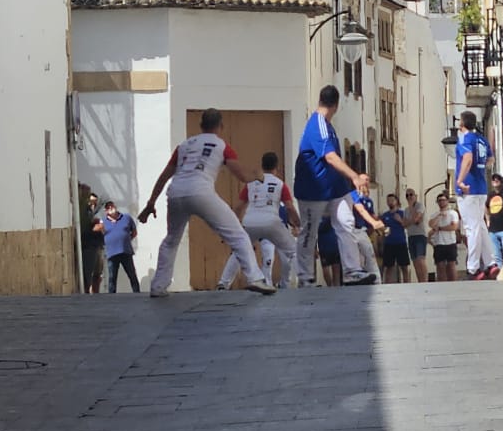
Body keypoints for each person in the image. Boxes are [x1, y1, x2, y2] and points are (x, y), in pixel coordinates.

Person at [138, 112, 275, 296]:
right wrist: (257, 175)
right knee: (238, 235)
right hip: (201, 193)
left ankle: (158, 286)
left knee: (171, 240)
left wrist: (150, 204)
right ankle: (255, 278)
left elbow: (164, 176)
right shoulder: (221, 145)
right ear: (221, 126)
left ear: (201, 125)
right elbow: (242, 175)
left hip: (176, 193)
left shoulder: (183, 146)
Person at [291, 87, 357, 286]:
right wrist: (354, 176)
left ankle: (353, 271)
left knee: (345, 223)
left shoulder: (327, 126)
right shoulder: (318, 125)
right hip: (313, 190)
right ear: (336, 105)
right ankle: (305, 277)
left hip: (334, 188)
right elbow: (330, 157)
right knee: (309, 232)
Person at [217, 151, 299, 291]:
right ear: (276, 167)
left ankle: (223, 283)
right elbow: (290, 207)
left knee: (239, 250)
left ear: (262, 166)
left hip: (250, 222)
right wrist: (297, 223)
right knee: (293, 251)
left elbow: (239, 206)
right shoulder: (280, 184)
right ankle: (306, 280)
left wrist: (235, 224)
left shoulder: (251, 184)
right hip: (272, 222)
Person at [454, 109, 499, 280]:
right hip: (481, 188)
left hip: (469, 189)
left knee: (471, 228)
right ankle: (490, 262)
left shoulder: (465, 138)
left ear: (462, 123)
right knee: (480, 225)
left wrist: (460, 180)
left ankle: (473, 267)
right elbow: (490, 160)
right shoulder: (482, 139)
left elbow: (467, 158)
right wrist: (480, 168)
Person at [338, 175, 383, 284]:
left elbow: (370, 214)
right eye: (364, 179)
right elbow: (361, 210)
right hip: (350, 231)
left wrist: (377, 224)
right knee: (354, 258)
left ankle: (377, 281)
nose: (366, 182)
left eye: (368, 180)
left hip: (361, 231)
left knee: (370, 255)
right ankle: (353, 281)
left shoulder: (367, 200)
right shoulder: (352, 194)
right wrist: (374, 223)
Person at [102, 199, 141, 293]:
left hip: (125, 251)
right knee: (112, 277)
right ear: (106, 211)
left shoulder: (126, 218)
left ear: (115, 206)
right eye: (108, 207)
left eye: (112, 206)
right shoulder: (103, 222)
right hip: (112, 253)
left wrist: (126, 240)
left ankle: (137, 294)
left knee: (132, 274)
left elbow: (134, 232)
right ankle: (111, 297)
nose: (110, 208)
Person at [428, 190, 460, 281]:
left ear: (447, 201)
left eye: (443, 200)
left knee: (451, 265)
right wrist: (439, 216)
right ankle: (442, 285)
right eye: (439, 200)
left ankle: (454, 284)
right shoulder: (435, 214)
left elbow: (454, 226)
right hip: (439, 243)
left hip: (450, 242)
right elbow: (431, 224)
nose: (441, 202)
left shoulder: (453, 213)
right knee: (440, 266)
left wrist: (440, 228)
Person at [380, 193, 411, 284]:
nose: (390, 202)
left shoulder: (402, 213)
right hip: (389, 243)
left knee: (404, 266)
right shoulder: (385, 215)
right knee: (389, 267)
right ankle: (387, 285)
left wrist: (400, 220)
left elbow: (407, 225)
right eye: (388, 200)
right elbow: (381, 228)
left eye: (392, 200)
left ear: (396, 201)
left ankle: (406, 284)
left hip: (401, 243)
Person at [80, 188, 105, 294]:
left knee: (98, 274)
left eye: (95, 202)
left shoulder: (94, 213)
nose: (93, 204)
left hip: (98, 246)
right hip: (89, 246)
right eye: (91, 201)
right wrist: (93, 227)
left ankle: (96, 293)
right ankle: (87, 291)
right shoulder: (84, 213)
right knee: (88, 272)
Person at [402, 187, 429, 282]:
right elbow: (404, 224)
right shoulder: (406, 210)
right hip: (411, 236)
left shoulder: (419, 206)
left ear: (415, 196)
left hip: (420, 235)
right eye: (407, 195)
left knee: (420, 259)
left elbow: (416, 219)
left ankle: (425, 281)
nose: (409, 197)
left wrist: (412, 218)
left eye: (411, 194)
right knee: (415, 261)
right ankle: (420, 281)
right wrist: (412, 221)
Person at [487, 173, 503, 273]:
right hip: (492, 229)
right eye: (493, 180)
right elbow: (486, 207)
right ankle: (501, 274)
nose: (495, 181)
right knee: (496, 256)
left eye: (497, 180)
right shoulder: (490, 195)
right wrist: (488, 219)